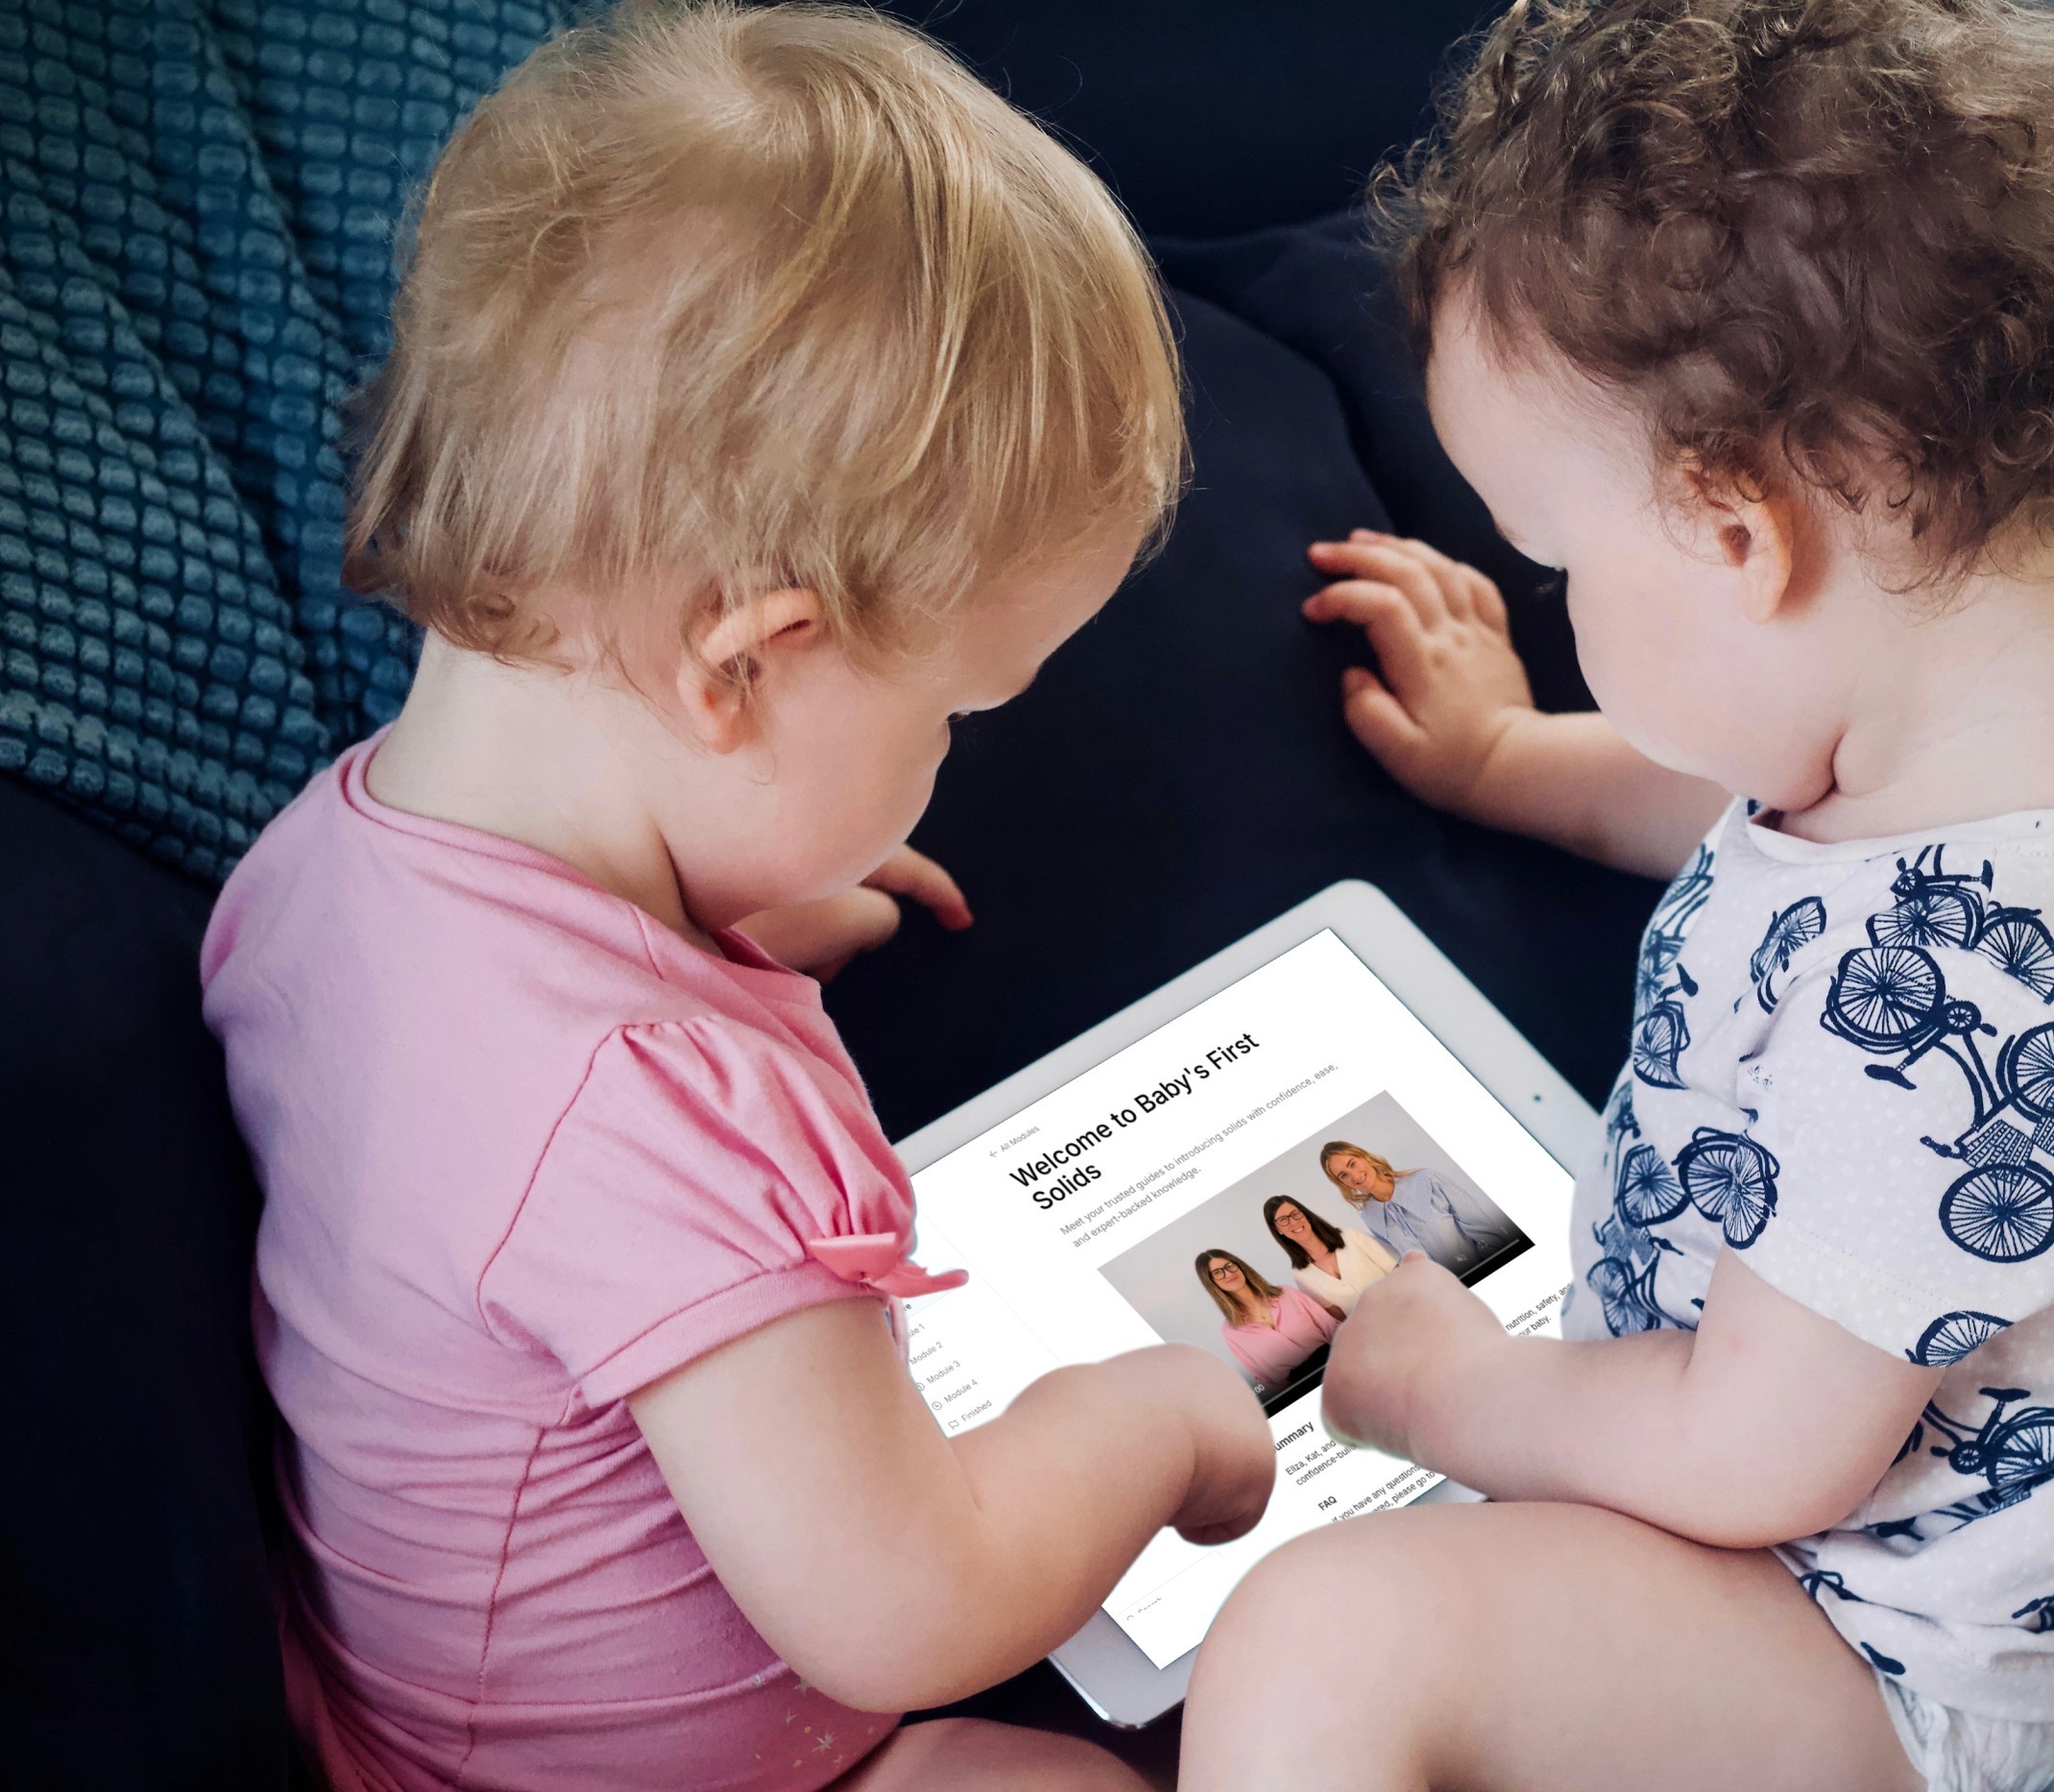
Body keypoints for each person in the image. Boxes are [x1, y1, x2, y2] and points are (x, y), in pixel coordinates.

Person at [1178, 5, 2054, 1792]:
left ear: (1738, 536)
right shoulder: (1997, 670)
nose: (1547, 599)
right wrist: (1502, 760)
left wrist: (1443, 1388)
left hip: (1870, 1639)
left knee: (1319, 1647)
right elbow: (1777, 787)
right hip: (1777, 1495)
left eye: (1554, 560)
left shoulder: (1982, 1021)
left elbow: (1751, 1457)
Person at [199, 8, 1277, 1789]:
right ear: (746, 665)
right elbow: (909, 1613)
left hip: (399, 1706)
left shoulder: (324, 860)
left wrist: (736, 906)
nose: (955, 758)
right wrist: (1153, 1422)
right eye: (951, 711)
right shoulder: (667, 1118)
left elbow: (479, 1180)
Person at [1319, 1141, 1517, 1274]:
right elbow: (1405, 1264)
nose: (1353, 1176)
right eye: (1343, 1175)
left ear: (1365, 1158)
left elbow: (1487, 1233)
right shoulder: (1370, 1216)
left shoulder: (1428, 1180)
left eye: (1352, 1164)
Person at [1197, 1249, 1343, 1392]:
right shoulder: (1230, 1332)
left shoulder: (1287, 1293)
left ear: (1240, 1266)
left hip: (1336, 1365)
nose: (1228, 1273)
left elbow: (1332, 1328)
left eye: (1230, 1266)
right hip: (1302, 1387)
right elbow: (1265, 1380)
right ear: (1211, 1283)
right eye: (1217, 1272)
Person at [1264, 1194, 1401, 1315]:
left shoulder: (1350, 1236)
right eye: (1283, 1220)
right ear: (1277, 1229)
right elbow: (1339, 1316)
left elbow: (1397, 1270)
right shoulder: (1301, 1275)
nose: (1293, 1222)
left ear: (1305, 1214)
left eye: (1295, 1214)